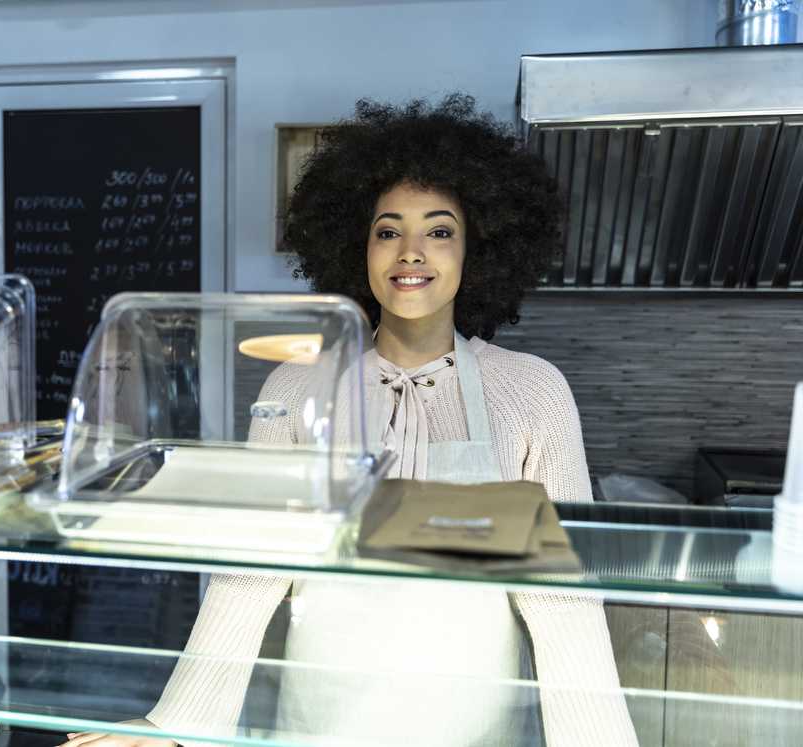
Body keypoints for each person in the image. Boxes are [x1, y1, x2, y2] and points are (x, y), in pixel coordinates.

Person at [63, 95, 638, 746]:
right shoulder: (298, 384)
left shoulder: (534, 391)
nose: (410, 252)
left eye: (440, 230)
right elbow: (249, 573)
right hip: (319, 724)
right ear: (359, 246)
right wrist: (173, 724)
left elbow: (567, 601)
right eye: (389, 229)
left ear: (478, 247)